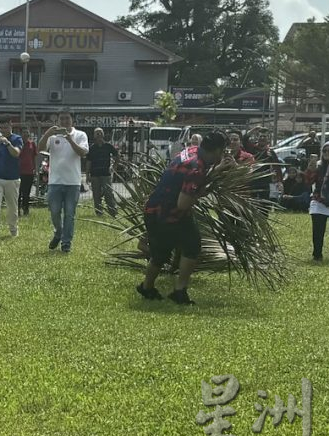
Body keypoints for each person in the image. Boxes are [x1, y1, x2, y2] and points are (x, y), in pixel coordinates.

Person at [136, 130, 227, 305]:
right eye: (222, 151)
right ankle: (165, 289)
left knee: (174, 249)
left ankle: (161, 289)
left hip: (159, 210)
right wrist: (204, 190)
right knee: (177, 250)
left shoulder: (192, 151)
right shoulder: (196, 168)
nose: (222, 155)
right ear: (216, 151)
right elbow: (183, 203)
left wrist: (216, 170)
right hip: (167, 214)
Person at [39, 109, 89, 253]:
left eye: (67, 119)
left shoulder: (80, 135)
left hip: (72, 182)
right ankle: (58, 233)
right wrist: (47, 134)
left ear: (72, 120)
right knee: (54, 212)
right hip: (55, 181)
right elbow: (40, 148)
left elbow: (83, 152)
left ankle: (66, 242)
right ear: (57, 121)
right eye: (62, 119)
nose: (64, 121)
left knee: (69, 214)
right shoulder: (53, 136)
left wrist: (69, 139)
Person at [87, 127, 118, 218]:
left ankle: (113, 213)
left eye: (100, 133)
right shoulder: (92, 148)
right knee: (96, 195)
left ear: (103, 134)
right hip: (94, 175)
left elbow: (117, 155)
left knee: (108, 194)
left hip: (106, 174)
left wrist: (114, 166)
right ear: (94, 136)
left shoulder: (108, 146)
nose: (99, 135)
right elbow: (89, 162)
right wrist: (88, 174)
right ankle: (99, 213)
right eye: (97, 133)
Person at [18, 129, 38, 216]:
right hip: (19, 171)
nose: (25, 134)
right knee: (18, 192)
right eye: (24, 132)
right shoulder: (18, 143)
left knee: (27, 192)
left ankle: (25, 209)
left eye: (27, 132)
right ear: (21, 134)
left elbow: (34, 157)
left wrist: (35, 168)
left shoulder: (32, 144)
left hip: (29, 171)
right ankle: (17, 209)